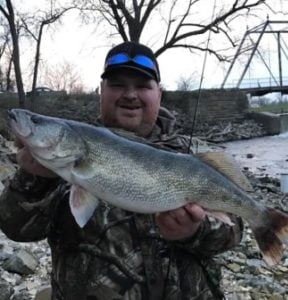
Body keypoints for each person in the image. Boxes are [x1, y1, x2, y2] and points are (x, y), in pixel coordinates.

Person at [0, 41, 243, 300]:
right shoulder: (60, 161)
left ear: (159, 94)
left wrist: (196, 231)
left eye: (142, 85)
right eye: (117, 85)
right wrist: (34, 179)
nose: (130, 94)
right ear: (101, 91)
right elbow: (16, 230)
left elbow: (236, 227)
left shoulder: (195, 154)